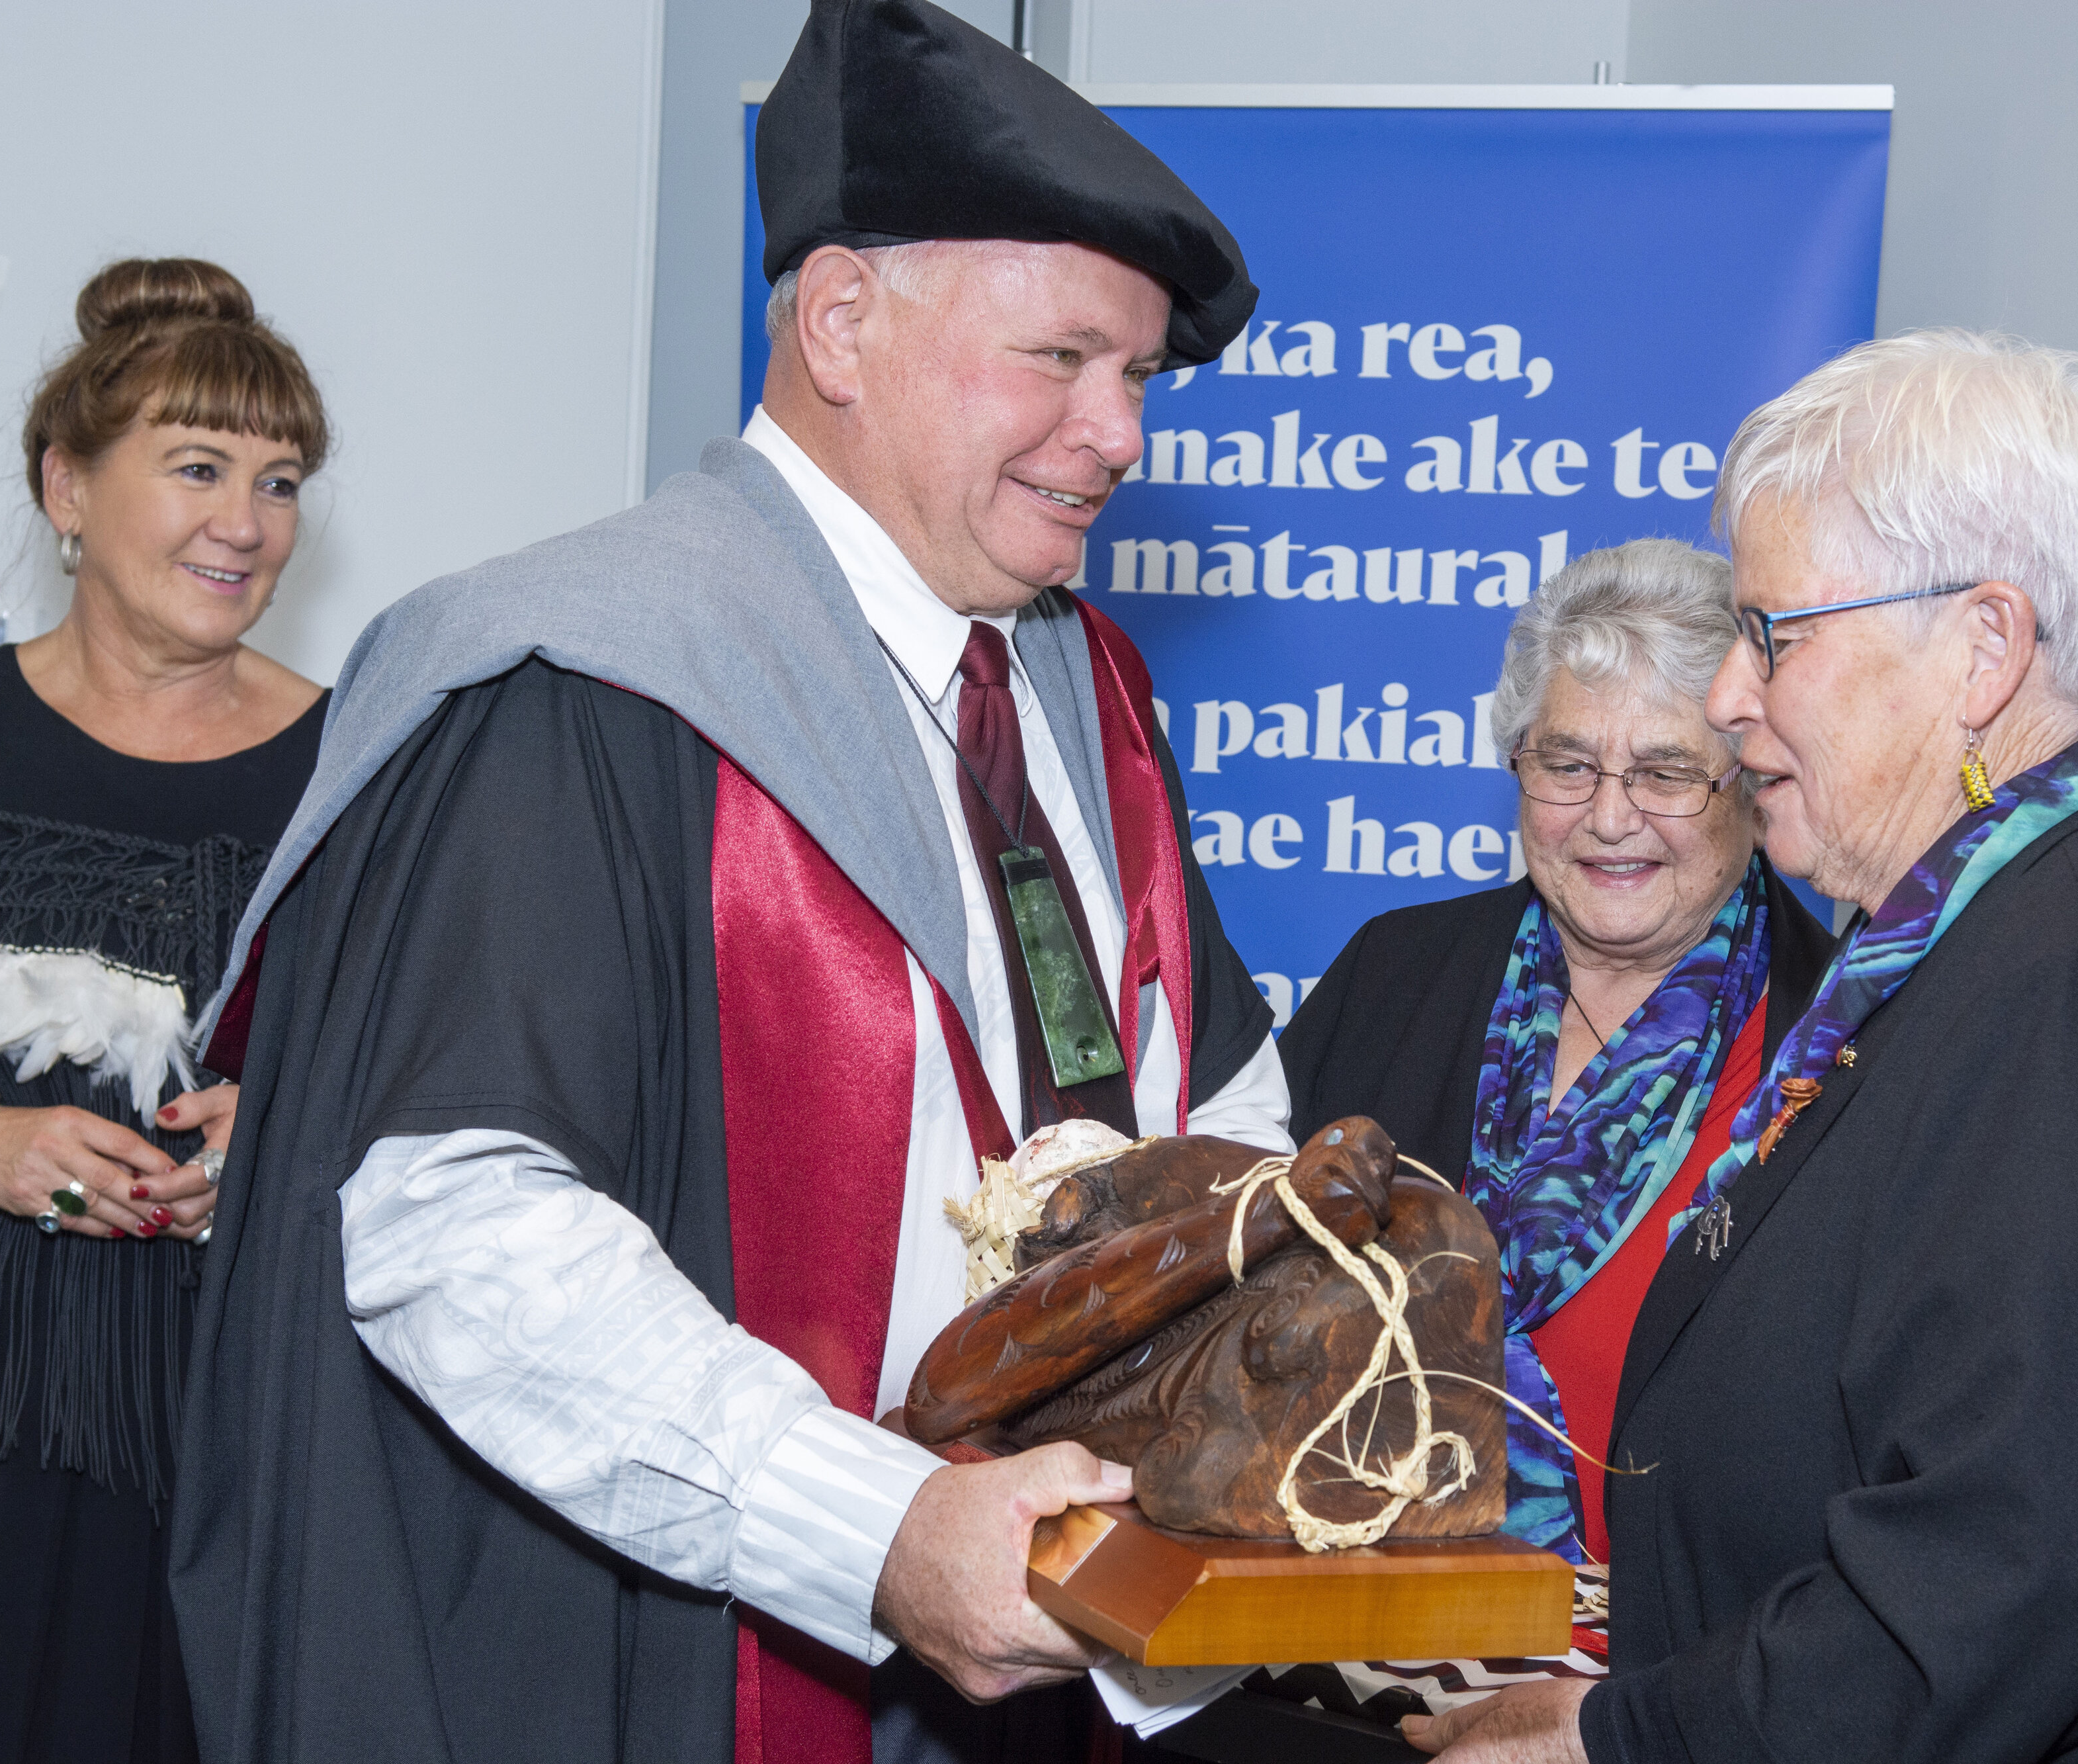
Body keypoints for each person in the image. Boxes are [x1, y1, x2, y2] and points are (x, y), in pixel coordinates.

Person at [167, 5, 1287, 1763]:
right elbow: (456, 1227)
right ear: (844, 321)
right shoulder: (586, 683)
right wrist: (877, 1528)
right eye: (1065, 358)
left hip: (1050, 1643)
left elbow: (1209, 1097)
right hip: (681, 1659)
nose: (1121, 432)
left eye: (1140, 375)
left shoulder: (1090, 699)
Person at [1399, 331, 2078, 1762]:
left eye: (1772, 636)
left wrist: (1627, 1741)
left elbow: (2009, 1581)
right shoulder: (2006, 944)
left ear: (1982, 647)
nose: (1731, 698)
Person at [0, 257, 329, 1763]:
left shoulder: (356, 776)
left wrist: (287, 1134)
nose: (246, 522)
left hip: (208, 1463)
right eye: (197, 467)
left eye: (280, 479)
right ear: (69, 487)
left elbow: (446, 1091)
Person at [1279, 540, 1832, 1566]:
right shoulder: (1394, 974)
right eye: (1568, 763)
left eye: (1667, 771)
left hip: (1665, 1687)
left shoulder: (1839, 1038)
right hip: (1335, 1631)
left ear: (1751, 788)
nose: (1611, 815)